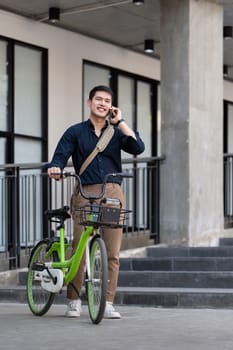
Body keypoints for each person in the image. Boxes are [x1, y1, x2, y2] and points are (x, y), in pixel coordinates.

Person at [47, 85, 145, 319]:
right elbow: (60, 155)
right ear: (89, 102)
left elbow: (138, 147)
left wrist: (120, 121)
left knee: (112, 252)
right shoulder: (75, 132)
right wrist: (56, 167)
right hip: (85, 192)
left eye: (107, 100)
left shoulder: (118, 132)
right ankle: (73, 300)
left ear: (111, 106)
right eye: (98, 99)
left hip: (112, 194)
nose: (102, 103)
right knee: (79, 247)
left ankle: (108, 302)